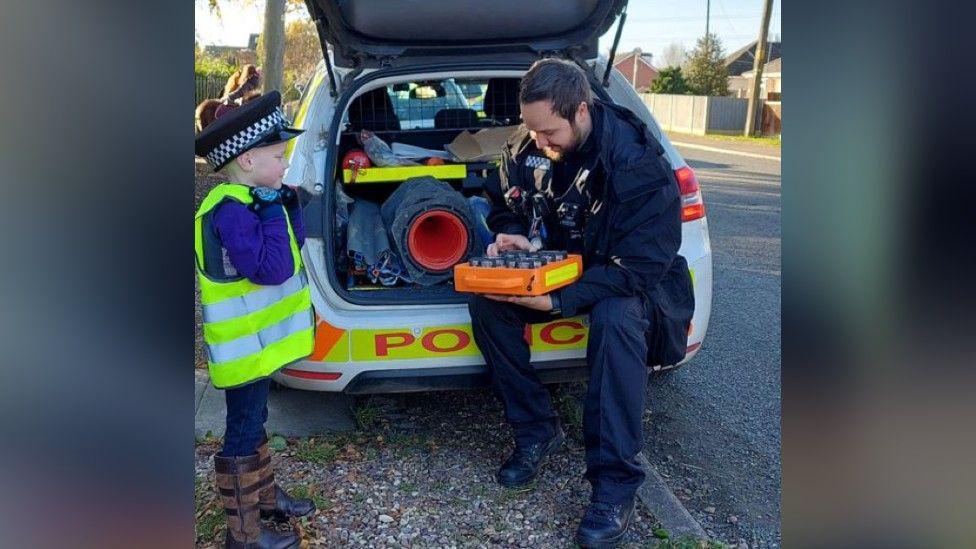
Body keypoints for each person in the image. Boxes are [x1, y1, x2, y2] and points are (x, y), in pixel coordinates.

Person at [470, 58, 695, 548]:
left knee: (616, 320)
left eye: (549, 132)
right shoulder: (529, 140)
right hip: (557, 267)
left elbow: (642, 266)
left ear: (582, 111)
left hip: (623, 277)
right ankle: (536, 430)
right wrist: (510, 233)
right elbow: (500, 194)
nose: (539, 142)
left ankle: (615, 486)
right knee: (487, 303)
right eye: (531, 130)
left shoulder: (637, 165)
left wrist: (559, 300)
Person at [195, 90, 316, 549]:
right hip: (244, 349)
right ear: (247, 161)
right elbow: (272, 269)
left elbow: (294, 245)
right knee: (242, 429)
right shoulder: (233, 211)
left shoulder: (256, 199)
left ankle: (264, 499)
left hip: (261, 343)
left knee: (255, 418)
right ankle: (243, 535)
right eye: (278, 155)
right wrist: (270, 208)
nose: (285, 165)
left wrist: (286, 206)